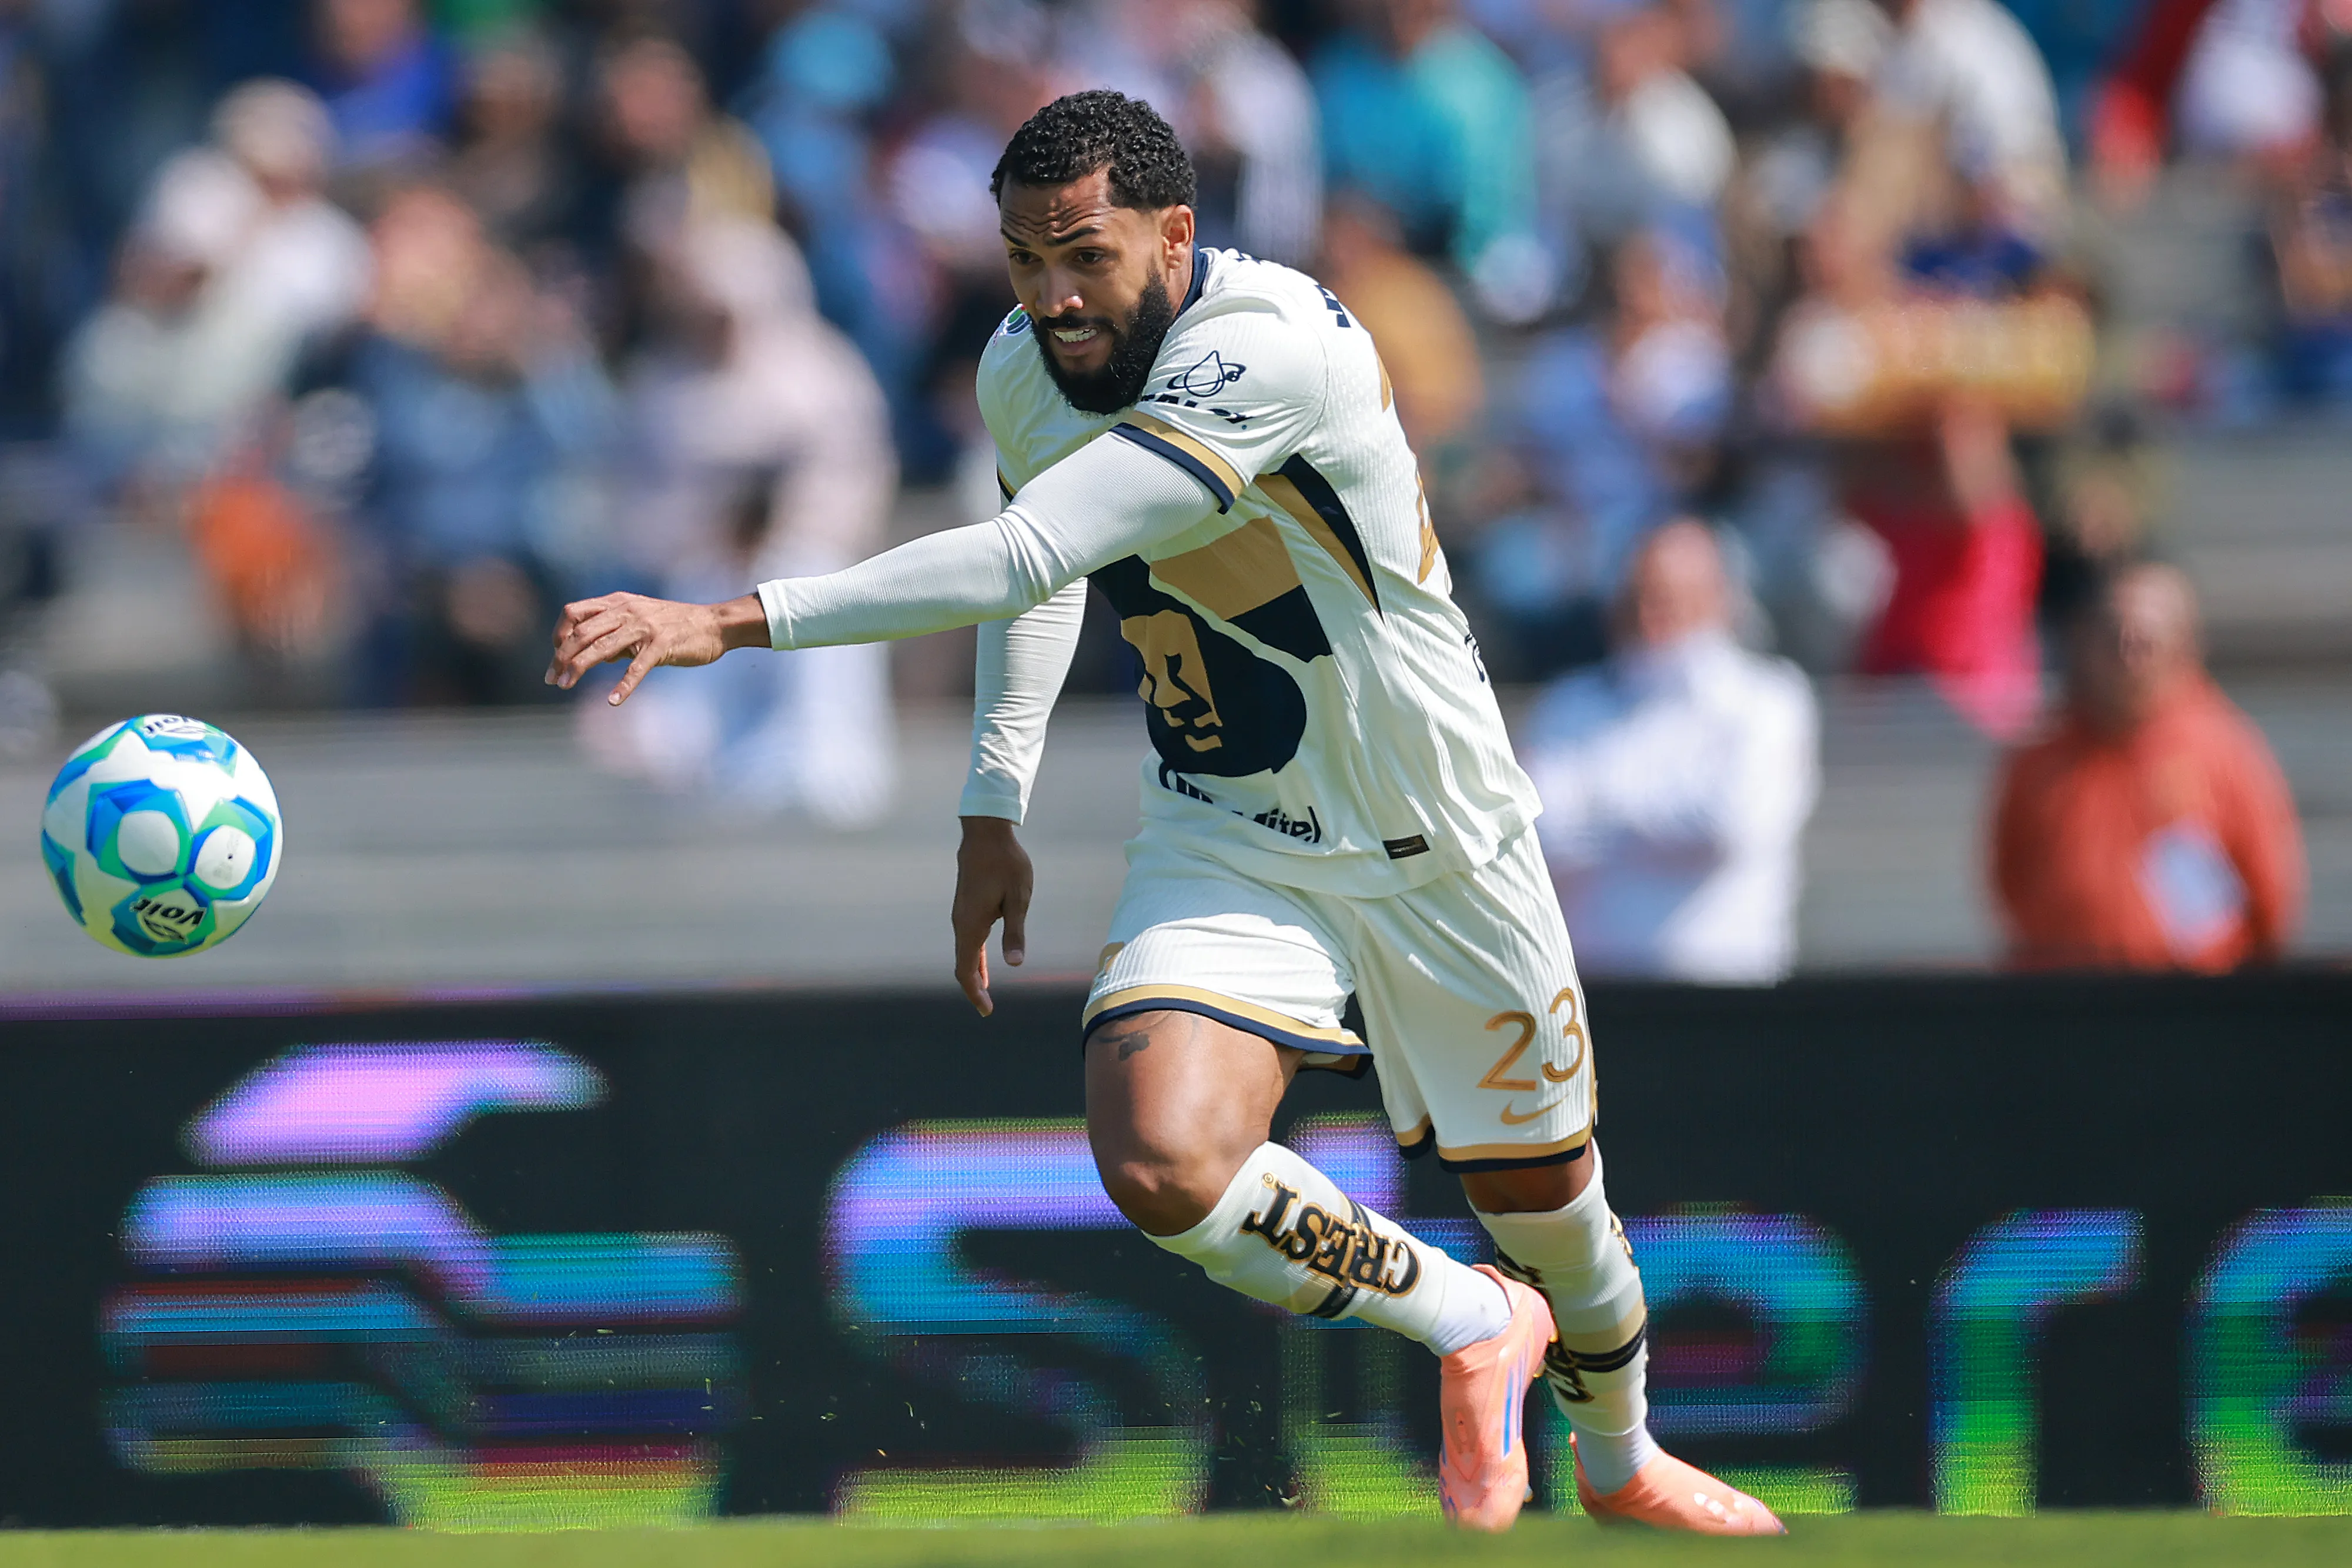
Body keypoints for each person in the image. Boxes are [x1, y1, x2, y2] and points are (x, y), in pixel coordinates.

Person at [547, 89, 1783, 1536]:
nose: (1053, 298)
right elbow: (1046, 578)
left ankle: (1621, 1456)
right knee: (1157, 1153)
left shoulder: (1270, 349)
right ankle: (1465, 1321)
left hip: (1437, 830)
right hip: (1234, 829)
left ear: (1173, 232)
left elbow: (1022, 551)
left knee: (1553, 1211)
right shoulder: (1025, 368)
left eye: (1082, 255)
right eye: (1021, 261)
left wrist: (725, 621)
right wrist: (993, 801)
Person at [1520, 520, 1819, 982]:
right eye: (1639, 595)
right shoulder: (1570, 703)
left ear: (1720, 598)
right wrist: (1661, 820)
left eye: (1672, 597)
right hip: (1592, 999)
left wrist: (1598, 803)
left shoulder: (1770, 700)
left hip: (1731, 995)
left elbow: (1730, 823)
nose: (1649, 615)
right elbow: (1537, 834)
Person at [1991, 563, 2304, 970]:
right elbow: (2009, 876)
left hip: (2193, 1004)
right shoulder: (2040, 758)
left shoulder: (2225, 752)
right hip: (2068, 999)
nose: (2128, 656)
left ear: (2182, 648)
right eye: (2113, 637)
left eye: (2145, 641)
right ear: (2082, 642)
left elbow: (2271, 894)